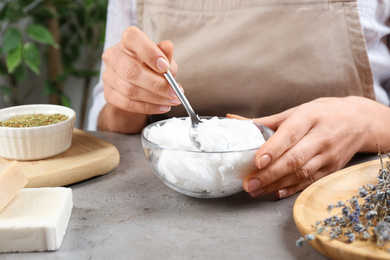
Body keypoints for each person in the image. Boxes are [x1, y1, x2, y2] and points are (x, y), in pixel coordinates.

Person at [88, 0, 390, 199]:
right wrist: (126, 96)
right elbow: (106, 118)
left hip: (344, 192)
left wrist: (364, 122)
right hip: (166, 199)